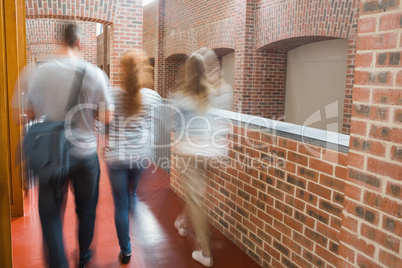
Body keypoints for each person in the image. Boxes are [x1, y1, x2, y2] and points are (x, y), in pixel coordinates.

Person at [21, 23, 113, 268]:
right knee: (86, 212)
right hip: (85, 155)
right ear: (79, 42)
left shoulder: (38, 72)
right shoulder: (94, 74)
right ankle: (83, 257)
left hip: (51, 156)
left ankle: (58, 263)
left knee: (50, 216)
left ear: (58, 41)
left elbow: (28, 113)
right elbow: (106, 118)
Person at [105, 49, 162, 264]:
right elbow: (154, 129)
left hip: (117, 158)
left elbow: (104, 125)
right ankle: (133, 199)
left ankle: (126, 250)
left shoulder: (112, 95)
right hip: (139, 157)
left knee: (120, 204)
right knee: (131, 195)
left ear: (122, 71)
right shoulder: (152, 97)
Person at [172, 51, 228, 267]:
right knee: (194, 193)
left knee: (196, 198)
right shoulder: (216, 94)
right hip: (212, 151)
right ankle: (185, 223)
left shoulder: (180, 96)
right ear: (206, 70)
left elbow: (176, 128)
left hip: (189, 151)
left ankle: (205, 252)